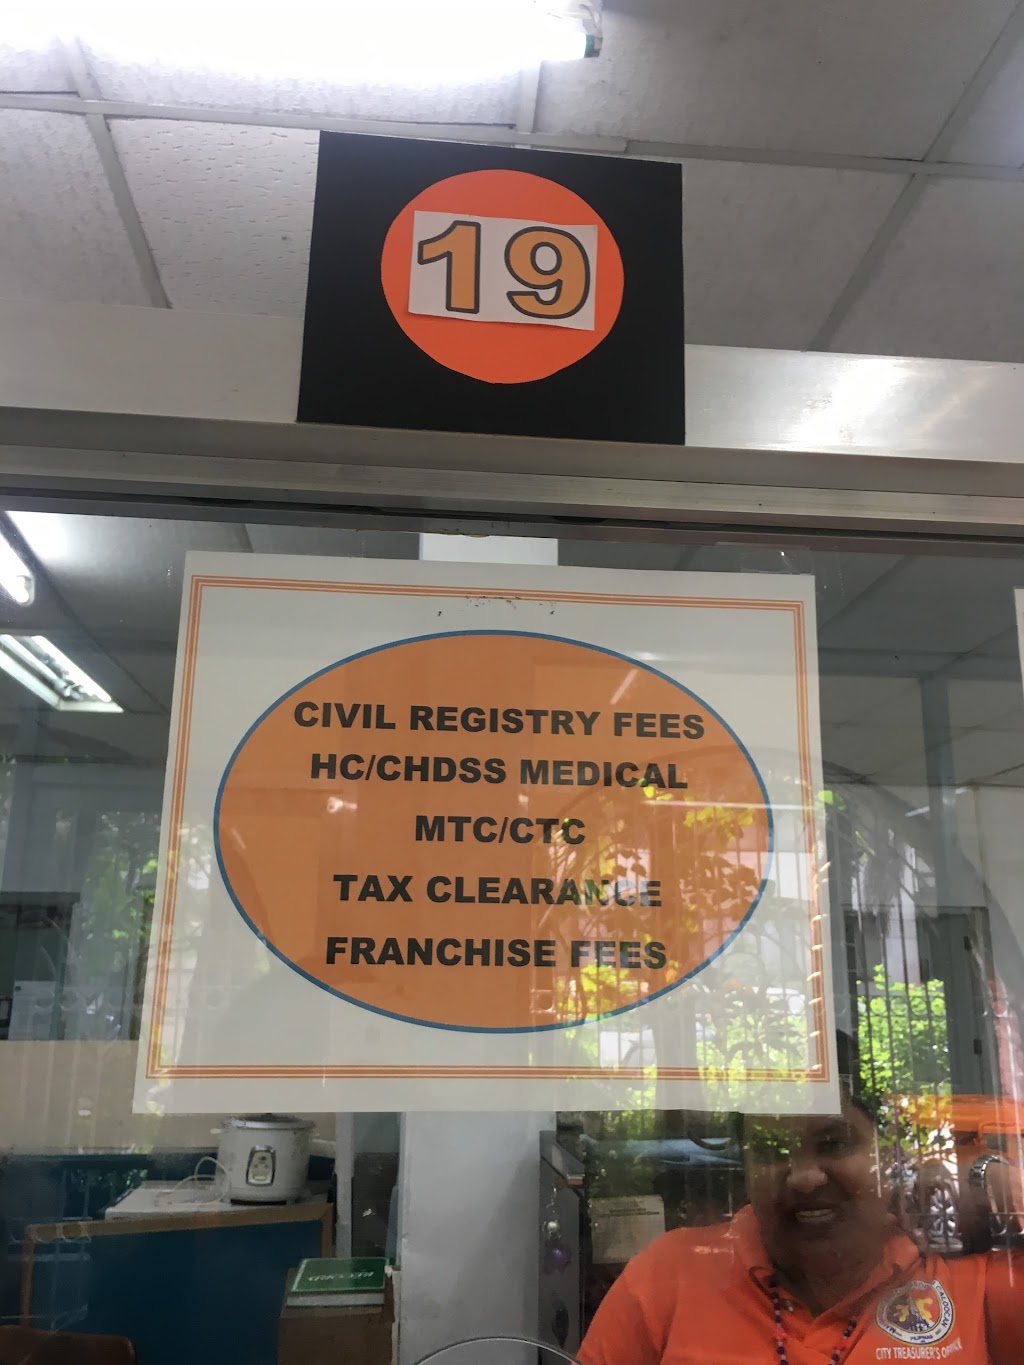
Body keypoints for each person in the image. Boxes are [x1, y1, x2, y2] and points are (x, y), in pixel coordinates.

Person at [578, 1044, 1023, 1364]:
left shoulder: (968, 1279)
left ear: (887, 1153)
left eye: (833, 1143)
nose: (804, 1177)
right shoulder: (668, 1275)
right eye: (771, 1149)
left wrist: (986, 1175)